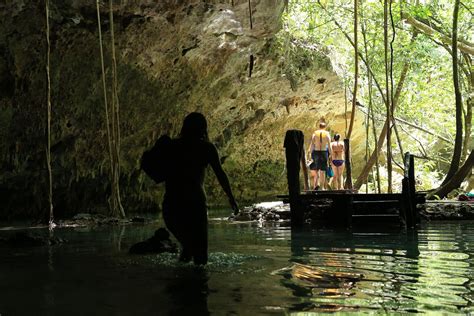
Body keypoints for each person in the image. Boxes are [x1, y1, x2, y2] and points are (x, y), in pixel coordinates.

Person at [162, 112, 239, 265]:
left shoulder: (172, 146)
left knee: (188, 247)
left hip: (172, 203)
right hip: (195, 203)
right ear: (203, 129)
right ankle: (199, 285)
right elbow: (220, 174)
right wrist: (231, 197)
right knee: (200, 254)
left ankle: (179, 282)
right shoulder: (206, 148)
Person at [307, 121, 332, 190]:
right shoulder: (327, 134)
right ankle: (322, 187)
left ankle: (316, 184)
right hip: (324, 152)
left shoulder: (315, 133)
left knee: (316, 169)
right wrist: (331, 155)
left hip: (316, 151)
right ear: (325, 127)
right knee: (323, 170)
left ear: (319, 126)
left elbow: (312, 144)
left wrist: (309, 152)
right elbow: (329, 146)